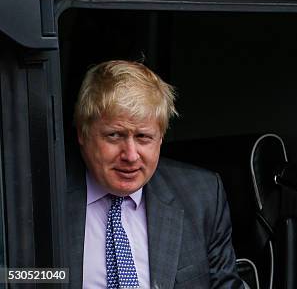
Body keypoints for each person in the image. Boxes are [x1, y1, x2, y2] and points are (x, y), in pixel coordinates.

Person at [66, 60, 244, 288]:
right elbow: (19, 278)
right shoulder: (41, 198)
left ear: (160, 137)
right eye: (114, 136)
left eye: (143, 137)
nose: (131, 155)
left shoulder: (202, 196)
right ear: (83, 133)